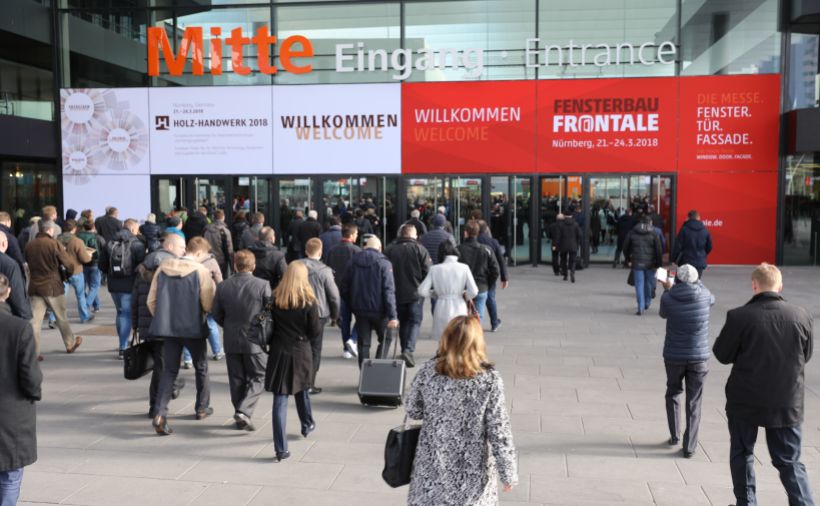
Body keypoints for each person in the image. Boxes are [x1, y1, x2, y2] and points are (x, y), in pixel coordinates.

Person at [713, 263, 814, 506]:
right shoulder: (801, 315)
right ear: (780, 286)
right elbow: (806, 355)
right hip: (786, 401)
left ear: (754, 285)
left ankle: (746, 503)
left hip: (745, 399)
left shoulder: (739, 316)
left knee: (742, 453)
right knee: (789, 460)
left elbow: (722, 354)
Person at [406, 315, 517, 505]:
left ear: (446, 339)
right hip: (472, 471)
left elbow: (413, 410)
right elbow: (499, 429)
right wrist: (508, 473)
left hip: (433, 465)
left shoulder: (427, 371)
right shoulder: (489, 379)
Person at [148, 233, 217, 435]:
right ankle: (202, 407)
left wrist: (163, 318)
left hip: (168, 329)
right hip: (193, 327)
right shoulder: (201, 271)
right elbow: (207, 302)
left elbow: (151, 301)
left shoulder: (163, 268)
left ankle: (160, 413)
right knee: (201, 366)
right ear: (199, 253)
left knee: (169, 370)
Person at [264, 262, 320, 462]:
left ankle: (281, 449)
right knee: (301, 387)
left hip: (279, 351)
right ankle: (306, 424)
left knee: (280, 399)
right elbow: (315, 331)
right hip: (300, 350)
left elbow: (264, 321)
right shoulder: (309, 301)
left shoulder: (274, 298)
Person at [658, 265, 714, 458]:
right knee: (694, 400)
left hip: (674, 355)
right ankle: (689, 446)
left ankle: (674, 435)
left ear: (678, 280)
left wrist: (668, 287)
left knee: (673, 391)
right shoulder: (705, 295)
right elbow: (711, 297)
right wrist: (698, 282)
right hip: (699, 357)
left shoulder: (668, 297)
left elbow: (663, 314)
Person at [212, 250, 270, 432]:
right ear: (253, 266)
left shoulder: (223, 286)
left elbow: (216, 314)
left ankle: (240, 414)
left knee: (236, 379)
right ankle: (244, 411)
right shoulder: (263, 285)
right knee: (259, 375)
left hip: (231, 338)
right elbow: (269, 312)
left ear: (235, 265)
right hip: (254, 339)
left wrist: (228, 325)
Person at [131, 236, 186, 419]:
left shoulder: (143, 266)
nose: (183, 251)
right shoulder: (172, 267)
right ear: (169, 246)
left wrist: (135, 324)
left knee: (161, 366)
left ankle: (166, 393)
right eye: (181, 247)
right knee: (162, 368)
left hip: (148, 326)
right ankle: (155, 406)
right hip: (165, 325)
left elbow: (135, 298)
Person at [0, 273, 43, 506]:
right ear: (7, 293)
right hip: (11, 413)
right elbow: (31, 375)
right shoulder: (19, 328)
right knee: (9, 476)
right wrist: (34, 393)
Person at [25, 220, 83, 360]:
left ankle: (34, 352)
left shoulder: (29, 245)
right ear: (50, 230)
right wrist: (66, 275)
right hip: (53, 286)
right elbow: (69, 264)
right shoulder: (54, 244)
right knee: (61, 316)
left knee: (35, 321)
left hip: (35, 286)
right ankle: (70, 343)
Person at [340, 236, 398, 367]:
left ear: (365, 247)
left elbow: (344, 286)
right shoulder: (384, 263)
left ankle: (364, 375)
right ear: (380, 248)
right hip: (380, 311)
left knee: (363, 344)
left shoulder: (353, 261)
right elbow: (389, 291)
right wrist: (393, 315)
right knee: (385, 338)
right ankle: (377, 369)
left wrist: (352, 303)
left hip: (360, 310)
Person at [99, 219, 147, 358]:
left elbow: (102, 265)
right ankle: (123, 347)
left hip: (113, 284)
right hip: (130, 283)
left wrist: (112, 273)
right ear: (132, 229)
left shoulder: (110, 243)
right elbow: (141, 266)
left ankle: (122, 343)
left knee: (120, 313)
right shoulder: (137, 244)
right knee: (126, 314)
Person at [385, 224, 431, 368]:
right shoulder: (420, 249)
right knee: (415, 321)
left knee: (403, 322)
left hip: (396, 293)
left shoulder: (390, 249)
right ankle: (408, 350)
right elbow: (428, 271)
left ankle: (405, 349)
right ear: (414, 235)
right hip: (415, 293)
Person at [300, 238, 339, 394]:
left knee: (301, 346)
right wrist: (335, 315)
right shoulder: (325, 271)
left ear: (305, 250)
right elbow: (334, 296)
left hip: (298, 311)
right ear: (321, 251)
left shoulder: (296, 266)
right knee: (315, 348)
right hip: (319, 313)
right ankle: (310, 383)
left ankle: (299, 378)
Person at [418, 242, 479, 340]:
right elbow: (474, 291)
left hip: (441, 307)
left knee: (443, 339)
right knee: (458, 337)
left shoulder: (435, 269)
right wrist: (464, 295)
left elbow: (422, 290)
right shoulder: (464, 267)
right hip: (459, 305)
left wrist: (435, 294)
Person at [184, 237, 225, 362]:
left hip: (189, 298)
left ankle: (187, 358)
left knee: (188, 327)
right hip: (209, 296)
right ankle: (217, 351)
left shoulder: (184, 261)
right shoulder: (211, 262)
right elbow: (219, 280)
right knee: (211, 324)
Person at [325, 223, 360, 359]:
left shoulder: (332, 250)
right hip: (354, 291)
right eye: (356, 234)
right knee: (361, 318)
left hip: (338, 290)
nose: (357, 236)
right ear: (351, 235)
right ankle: (353, 340)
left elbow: (327, 269)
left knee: (345, 320)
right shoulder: (356, 250)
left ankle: (346, 348)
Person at [457, 220, 499, 323]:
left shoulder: (458, 249)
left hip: (464, 289)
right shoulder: (486, 250)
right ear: (478, 232)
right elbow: (495, 270)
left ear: (465, 233)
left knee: (463, 319)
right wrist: (488, 283)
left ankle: (465, 337)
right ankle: (475, 336)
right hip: (481, 286)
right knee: (477, 319)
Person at [624, 215, 663, 315]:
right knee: (649, 283)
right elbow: (658, 249)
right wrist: (659, 263)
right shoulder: (653, 233)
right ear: (649, 223)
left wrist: (628, 259)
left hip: (637, 262)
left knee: (639, 284)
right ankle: (647, 302)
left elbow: (625, 247)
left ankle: (640, 307)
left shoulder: (632, 232)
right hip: (651, 263)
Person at [56, 219, 94, 323]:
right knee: (80, 295)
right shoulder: (77, 241)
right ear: (74, 228)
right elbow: (85, 259)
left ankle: (53, 318)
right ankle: (84, 316)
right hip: (76, 271)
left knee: (60, 296)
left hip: (61, 272)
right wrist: (89, 255)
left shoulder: (56, 240)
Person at [478, 222, 509, 332]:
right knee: (490, 298)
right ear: (486, 230)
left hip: (474, 275)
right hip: (489, 275)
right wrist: (504, 277)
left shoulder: (472, 241)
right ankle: (494, 322)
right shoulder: (493, 242)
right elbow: (501, 261)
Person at [672, 210, 713, 278]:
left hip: (686, 261)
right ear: (698, 218)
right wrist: (702, 253)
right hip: (700, 261)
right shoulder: (705, 230)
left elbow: (678, 246)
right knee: (696, 282)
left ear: (688, 218)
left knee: (685, 282)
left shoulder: (684, 229)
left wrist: (674, 259)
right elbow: (709, 246)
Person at [0, 233, 31, 319]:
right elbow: (16, 292)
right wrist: (25, 315)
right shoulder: (10, 264)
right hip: (6, 312)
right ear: (4, 244)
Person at [76, 221, 104, 313]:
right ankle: (87, 305)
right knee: (94, 286)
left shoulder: (78, 236)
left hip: (82, 264)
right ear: (94, 227)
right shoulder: (98, 237)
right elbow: (104, 249)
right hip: (95, 264)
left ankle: (96, 305)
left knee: (87, 286)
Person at [556, 210, 582, 283]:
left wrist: (557, 245)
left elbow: (558, 236)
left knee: (563, 260)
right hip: (573, 244)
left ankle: (565, 275)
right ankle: (572, 273)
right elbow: (579, 235)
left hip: (563, 245)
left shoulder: (561, 225)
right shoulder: (576, 224)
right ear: (571, 215)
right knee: (573, 260)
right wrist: (577, 243)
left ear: (564, 215)